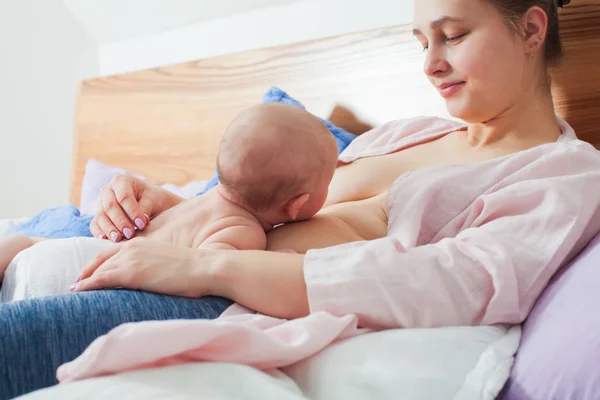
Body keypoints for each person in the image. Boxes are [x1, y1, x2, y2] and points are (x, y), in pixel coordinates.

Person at [2, 0, 599, 398]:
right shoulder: (406, 132)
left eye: (453, 36)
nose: (430, 64)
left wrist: (205, 265)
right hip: (169, 258)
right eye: (422, 42)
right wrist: (154, 201)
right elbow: (258, 200)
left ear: (530, 29)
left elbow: (458, 282)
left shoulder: (562, 173)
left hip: (223, 301)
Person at [0, 103, 338, 293]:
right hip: (82, 275)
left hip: (49, 251)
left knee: (18, 242)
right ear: (297, 203)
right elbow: (217, 273)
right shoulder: (241, 230)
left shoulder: (192, 203)